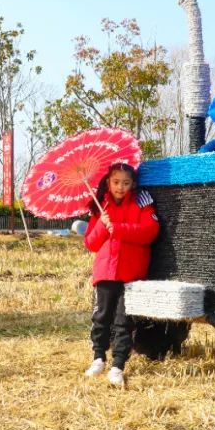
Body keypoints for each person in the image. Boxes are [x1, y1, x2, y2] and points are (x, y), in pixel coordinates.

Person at [82, 163, 160, 386]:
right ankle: (98, 357)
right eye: (116, 182)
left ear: (133, 184)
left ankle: (118, 365)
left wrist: (119, 227)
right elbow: (91, 243)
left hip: (131, 273)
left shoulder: (142, 202)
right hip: (105, 272)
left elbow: (150, 232)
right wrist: (103, 226)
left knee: (123, 321)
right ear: (108, 182)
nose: (120, 187)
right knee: (101, 318)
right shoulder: (100, 206)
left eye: (126, 183)